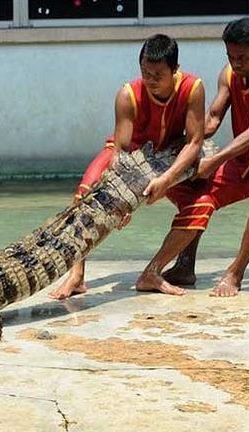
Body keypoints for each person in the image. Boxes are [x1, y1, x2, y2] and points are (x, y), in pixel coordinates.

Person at [136, 17, 249, 297]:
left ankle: (235, 273)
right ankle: (178, 267)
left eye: (242, 57)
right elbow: (212, 119)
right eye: (231, 56)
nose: (236, 63)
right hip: (246, 157)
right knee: (200, 197)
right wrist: (182, 142)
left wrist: (214, 160)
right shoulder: (228, 74)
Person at [49, 34, 205, 300]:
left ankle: (157, 271)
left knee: (203, 203)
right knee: (84, 196)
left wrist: (167, 180)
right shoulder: (127, 94)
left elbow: (194, 142)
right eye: (145, 72)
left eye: (158, 74)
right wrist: (123, 201)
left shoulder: (193, 88)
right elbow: (120, 151)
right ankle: (76, 275)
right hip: (129, 159)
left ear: (175, 70)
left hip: (168, 158)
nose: (150, 80)